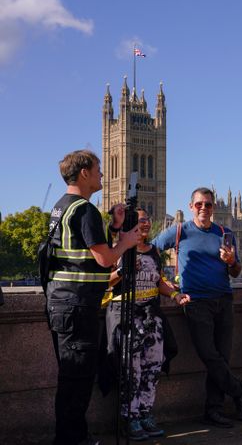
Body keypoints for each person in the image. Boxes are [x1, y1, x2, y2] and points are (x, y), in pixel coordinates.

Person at [46, 149, 141, 445]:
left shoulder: (63, 207)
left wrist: (112, 228)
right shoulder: (84, 209)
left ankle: (72, 437)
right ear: (84, 172)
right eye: (98, 169)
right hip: (77, 306)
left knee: (70, 378)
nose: (102, 174)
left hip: (63, 303)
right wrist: (125, 242)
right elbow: (104, 260)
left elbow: (81, 253)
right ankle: (73, 440)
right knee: (77, 380)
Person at [152, 187, 242, 428]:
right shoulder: (179, 232)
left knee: (221, 357)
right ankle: (238, 389)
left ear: (214, 207)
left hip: (224, 300)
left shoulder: (225, 233)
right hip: (196, 302)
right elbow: (149, 251)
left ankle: (214, 410)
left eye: (208, 204)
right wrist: (167, 286)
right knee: (209, 354)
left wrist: (232, 262)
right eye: (199, 204)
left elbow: (237, 271)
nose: (203, 208)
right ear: (190, 206)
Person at [105, 208, 190, 440]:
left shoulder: (154, 251)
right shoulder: (118, 250)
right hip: (126, 316)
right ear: (131, 225)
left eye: (147, 220)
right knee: (131, 371)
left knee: (152, 369)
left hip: (151, 317)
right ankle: (130, 418)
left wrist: (175, 295)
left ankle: (145, 414)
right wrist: (123, 271)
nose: (146, 224)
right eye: (141, 221)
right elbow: (104, 280)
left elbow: (159, 280)